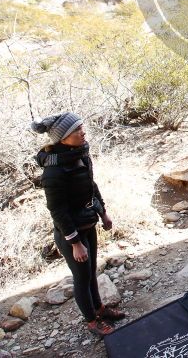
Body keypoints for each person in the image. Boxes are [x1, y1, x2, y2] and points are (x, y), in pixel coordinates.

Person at [32, 112, 125, 336]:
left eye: (82, 127)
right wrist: (75, 243)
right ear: (63, 138)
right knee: (81, 278)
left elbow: (91, 186)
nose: (83, 132)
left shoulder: (80, 154)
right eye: (76, 130)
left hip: (87, 224)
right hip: (71, 234)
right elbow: (58, 211)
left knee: (91, 272)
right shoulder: (54, 171)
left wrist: (103, 212)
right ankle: (92, 321)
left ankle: (100, 308)